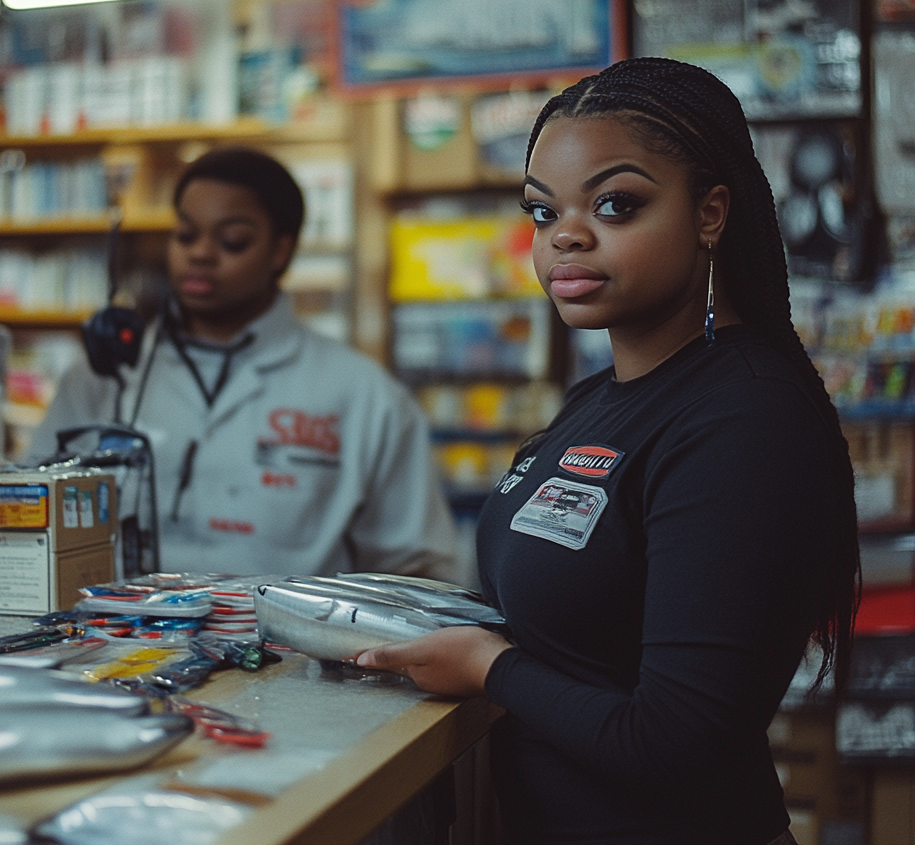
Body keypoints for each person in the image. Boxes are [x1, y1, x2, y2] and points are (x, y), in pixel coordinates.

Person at [355, 58, 859, 845]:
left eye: (616, 204)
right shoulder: (596, 403)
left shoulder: (744, 417)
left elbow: (674, 737)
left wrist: (492, 668)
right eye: (542, 211)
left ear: (710, 214)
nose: (567, 235)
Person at [29, 147, 457, 580]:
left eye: (231, 240)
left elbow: (418, 570)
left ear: (280, 252)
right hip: (113, 640)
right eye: (185, 234)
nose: (200, 254)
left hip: (291, 647)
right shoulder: (103, 378)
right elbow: (34, 516)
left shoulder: (366, 396)